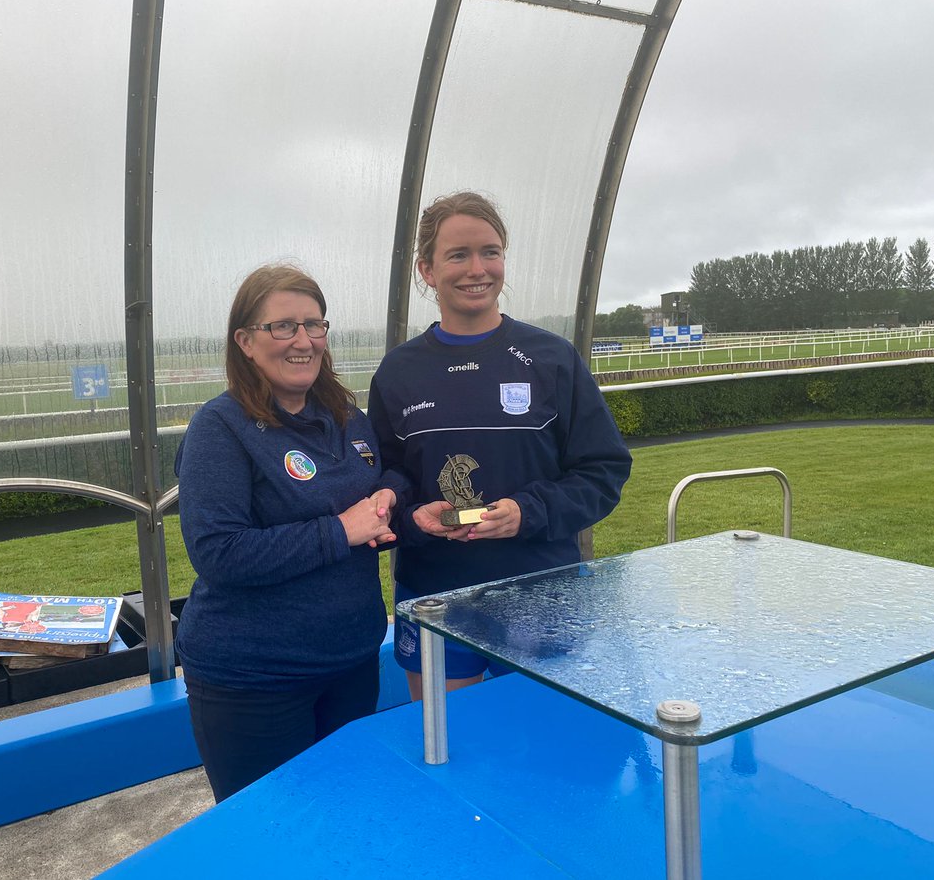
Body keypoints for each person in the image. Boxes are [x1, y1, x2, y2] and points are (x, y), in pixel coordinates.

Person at [368, 191, 632, 700]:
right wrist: (414, 518)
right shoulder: (399, 372)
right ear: (427, 270)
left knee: (541, 739)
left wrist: (527, 512)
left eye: (490, 252)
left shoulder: (552, 358)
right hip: (435, 595)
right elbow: (386, 479)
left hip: (543, 592)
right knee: (448, 739)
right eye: (458, 255)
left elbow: (603, 471)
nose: (477, 269)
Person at [174, 264, 399, 802]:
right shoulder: (220, 427)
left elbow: (379, 479)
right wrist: (340, 531)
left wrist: (390, 498)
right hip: (254, 680)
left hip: (350, 663)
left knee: (342, 815)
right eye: (283, 326)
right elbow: (219, 553)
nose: (303, 340)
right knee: (274, 834)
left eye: (314, 324)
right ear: (245, 342)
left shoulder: (346, 416)